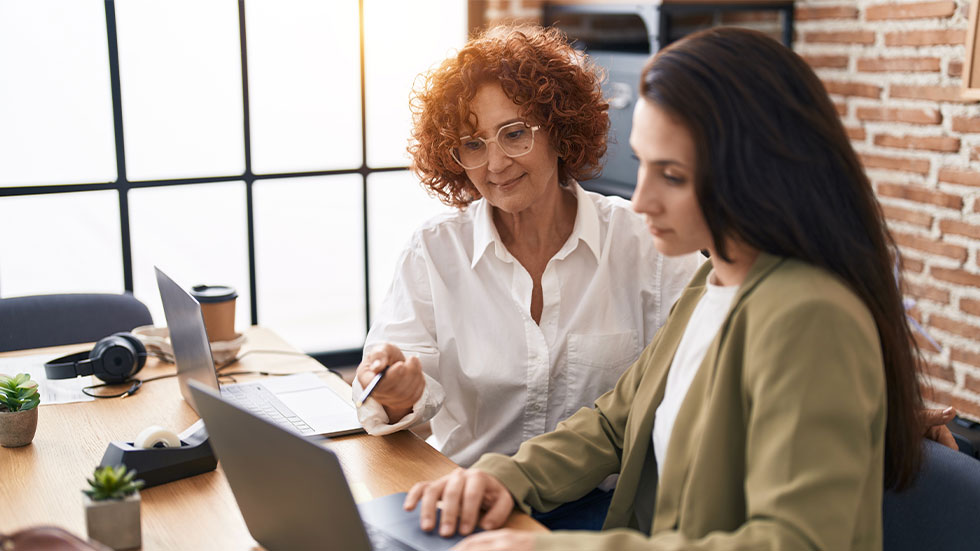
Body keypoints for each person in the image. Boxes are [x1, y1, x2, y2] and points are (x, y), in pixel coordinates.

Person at [403, 27, 929, 550]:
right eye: (643, 164)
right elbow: (617, 422)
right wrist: (508, 478)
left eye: (671, 175)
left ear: (755, 171)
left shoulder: (810, 316)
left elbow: (796, 542)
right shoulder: (714, 280)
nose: (644, 198)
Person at [352, 25, 702, 528]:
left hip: (602, 512)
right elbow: (399, 388)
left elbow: (675, 398)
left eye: (514, 133)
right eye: (472, 145)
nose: (495, 164)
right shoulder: (433, 251)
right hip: (468, 498)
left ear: (560, 128)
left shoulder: (644, 245)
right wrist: (393, 393)